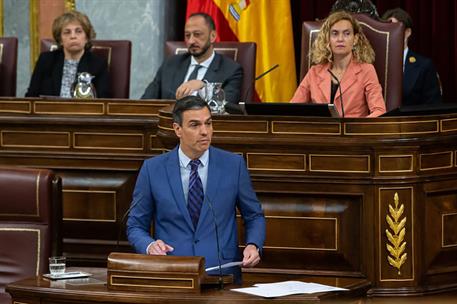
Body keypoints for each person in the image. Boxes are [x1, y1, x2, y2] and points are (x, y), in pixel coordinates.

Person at [127, 96, 265, 282]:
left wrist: (253, 245)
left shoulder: (233, 165)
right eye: (195, 125)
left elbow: (254, 215)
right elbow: (135, 225)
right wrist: (150, 245)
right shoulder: (153, 169)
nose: (204, 131)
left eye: (208, 123)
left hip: (222, 275)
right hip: (172, 274)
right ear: (177, 129)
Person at [291, 11, 386, 118]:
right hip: (321, 132)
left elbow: (379, 110)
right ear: (328, 39)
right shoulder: (314, 72)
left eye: (346, 33)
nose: (340, 39)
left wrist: (358, 128)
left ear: (355, 39)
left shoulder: (366, 70)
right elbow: (293, 109)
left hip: (352, 132)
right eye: (335, 33)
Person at [141, 13, 243, 104]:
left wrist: (205, 87)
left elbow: (229, 106)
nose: (191, 41)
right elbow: (145, 102)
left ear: (212, 36)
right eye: (187, 35)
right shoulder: (170, 64)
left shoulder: (231, 70)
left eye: (197, 34)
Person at [25, 10, 110, 98]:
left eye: (78, 31)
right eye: (67, 32)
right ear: (60, 40)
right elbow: (31, 97)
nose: (73, 36)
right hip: (49, 111)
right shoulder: (46, 60)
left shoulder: (98, 64)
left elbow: (103, 101)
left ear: (87, 38)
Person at [382, 8, 441, 106]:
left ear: (408, 32)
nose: (392, 34)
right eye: (388, 29)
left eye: (395, 29)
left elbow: (433, 105)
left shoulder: (424, 66)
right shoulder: (373, 63)